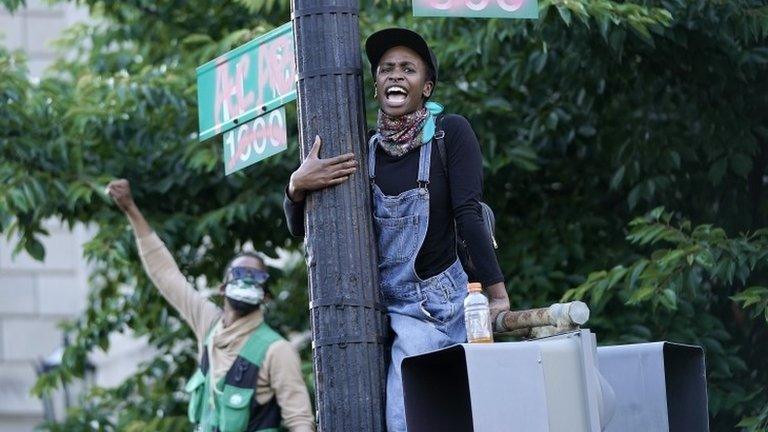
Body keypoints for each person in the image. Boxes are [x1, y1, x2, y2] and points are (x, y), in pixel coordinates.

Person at [283, 28, 511, 431]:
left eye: (408, 69)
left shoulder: (449, 134)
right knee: (404, 421)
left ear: (426, 87)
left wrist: (497, 297)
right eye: (386, 69)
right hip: (400, 315)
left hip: (455, 305)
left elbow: (469, 214)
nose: (396, 76)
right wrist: (296, 187)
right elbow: (303, 231)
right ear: (376, 88)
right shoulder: (364, 153)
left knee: (481, 419)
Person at [106, 179, 315, 432]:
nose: (246, 281)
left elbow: (300, 420)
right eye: (239, 275)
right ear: (223, 288)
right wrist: (130, 208)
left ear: (265, 296)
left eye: (255, 279)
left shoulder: (277, 350)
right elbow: (166, 274)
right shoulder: (209, 325)